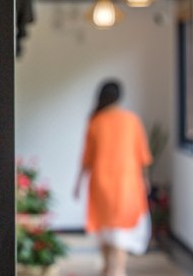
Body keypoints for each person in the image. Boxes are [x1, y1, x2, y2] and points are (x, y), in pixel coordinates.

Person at [73, 80, 153, 276]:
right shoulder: (131, 121)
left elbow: (87, 158)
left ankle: (109, 268)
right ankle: (117, 270)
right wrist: (146, 180)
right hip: (127, 184)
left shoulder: (95, 121)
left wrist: (78, 183)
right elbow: (142, 155)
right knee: (121, 232)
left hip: (101, 184)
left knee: (106, 230)